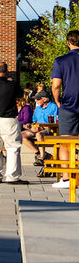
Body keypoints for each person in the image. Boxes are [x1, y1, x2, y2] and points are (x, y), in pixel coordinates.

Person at [51, 30, 79, 192]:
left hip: (68, 105)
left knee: (65, 142)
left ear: (68, 43)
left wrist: (57, 101)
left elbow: (56, 85)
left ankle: (67, 178)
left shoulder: (61, 61)